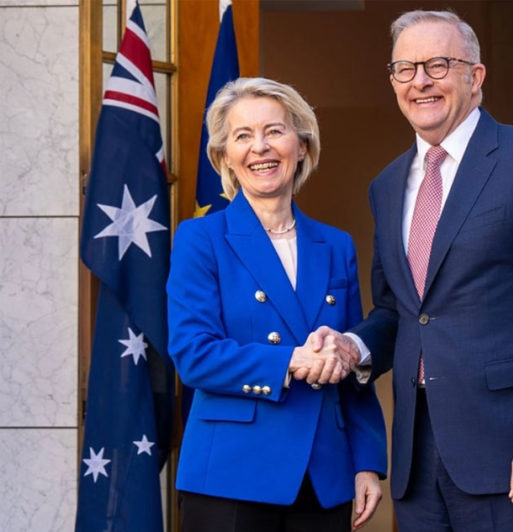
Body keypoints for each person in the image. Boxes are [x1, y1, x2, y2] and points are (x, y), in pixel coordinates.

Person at [313, 10, 513, 531]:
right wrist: (354, 347)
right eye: (405, 69)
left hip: (512, 449)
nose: (420, 80)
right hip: (417, 458)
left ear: (476, 75)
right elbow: (399, 311)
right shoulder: (386, 185)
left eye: (438, 65)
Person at [167, 77, 386, 532]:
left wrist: (366, 460)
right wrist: (291, 361)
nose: (260, 148)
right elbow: (193, 354)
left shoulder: (336, 245)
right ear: (225, 156)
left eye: (274, 131)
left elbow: (348, 361)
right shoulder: (200, 238)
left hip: (324, 474)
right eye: (243, 136)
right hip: (231, 475)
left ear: (302, 146)